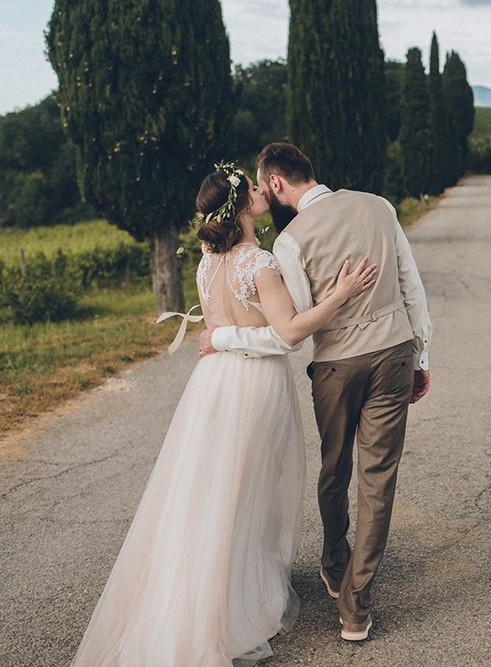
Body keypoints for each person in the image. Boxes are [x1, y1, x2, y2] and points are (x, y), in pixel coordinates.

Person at [71, 162, 376, 666]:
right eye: (254, 189)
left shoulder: (206, 264)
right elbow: (289, 333)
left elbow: (216, 330)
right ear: (240, 206)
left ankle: (203, 590)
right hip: (254, 387)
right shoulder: (258, 263)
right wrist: (341, 295)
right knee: (247, 492)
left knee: (210, 492)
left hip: (212, 386)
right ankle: (231, 604)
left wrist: (221, 338)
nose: (262, 191)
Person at [200, 142, 432, 642]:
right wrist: (420, 356)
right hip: (394, 353)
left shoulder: (290, 241)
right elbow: (411, 284)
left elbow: (298, 323)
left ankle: (333, 560)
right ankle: (356, 607)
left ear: (277, 184)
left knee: (335, 467)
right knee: (379, 481)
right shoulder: (379, 205)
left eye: (266, 185)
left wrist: (222, 337)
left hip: (336, 366)